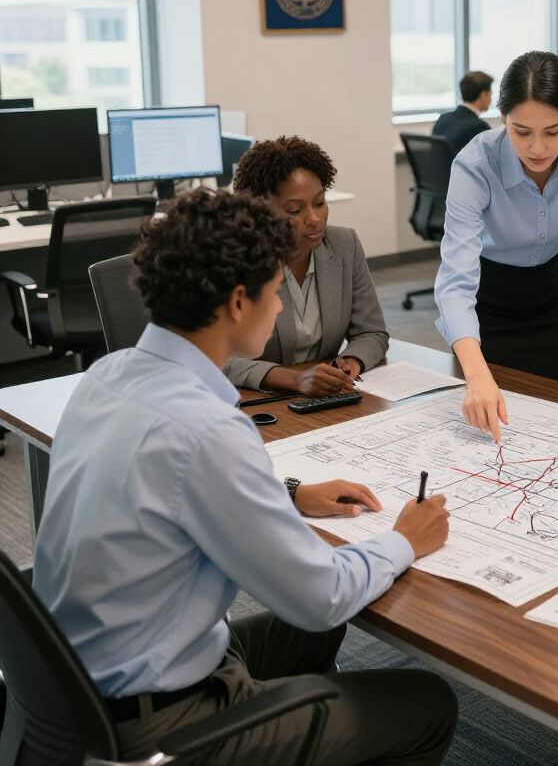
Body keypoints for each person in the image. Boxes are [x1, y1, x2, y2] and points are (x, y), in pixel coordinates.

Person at [31, 188, 457, 766]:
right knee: (425, 702)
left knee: (309, 637)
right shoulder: (208, 429)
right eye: (276, 292)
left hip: (80, 684)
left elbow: (168, 492)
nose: (280, 308)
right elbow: (320, 596)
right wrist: (405, 539)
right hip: (161, 722)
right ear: (238, 302)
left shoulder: (107, 375)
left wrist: (290, 494)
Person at [435, 50, 558, 441]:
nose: (537, 148)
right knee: (487, 429)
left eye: (554, 131)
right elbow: (455, 280)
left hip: (553, 294)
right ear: (502, 120)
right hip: (489, 301)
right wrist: (476, 374)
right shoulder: (474, 163)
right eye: (521, 131)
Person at [227, 135, 388, 396]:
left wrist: (350, 363)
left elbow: (372, 332)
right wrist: (292, 379)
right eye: (294, 210)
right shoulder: (234, 256)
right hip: (257, 400)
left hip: (326, 398)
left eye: (319, 203)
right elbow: (210, 355)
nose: (314, 219)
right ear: (260, 210)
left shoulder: (345, 244)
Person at [432, 69, 493, 154]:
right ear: (483, 95)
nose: (491, 99)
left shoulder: (443, 119)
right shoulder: (479, 127)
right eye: (490, 94)